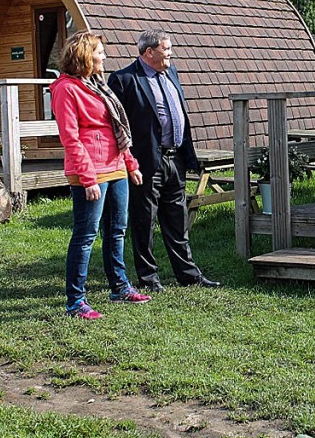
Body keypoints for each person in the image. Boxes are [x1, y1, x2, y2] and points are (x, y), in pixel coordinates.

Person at [107, 28, 220, 290]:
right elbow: (117, 127)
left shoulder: (171, 72)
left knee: (177, 219)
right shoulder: (124, 80)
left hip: (174, 158)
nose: (170, 54)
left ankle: (188, 275)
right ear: (149, 52)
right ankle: (148, 279)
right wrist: (129, 162)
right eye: (166, 49)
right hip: (146, 163)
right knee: (144, 221)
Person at [50, 32, 151, 319]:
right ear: (85, 55)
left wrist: (130, 163)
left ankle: (120, 287)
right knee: (85, 235)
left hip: (115, 166)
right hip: (90, 171)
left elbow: (115, 128)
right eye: (100, 52)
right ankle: (76, 301)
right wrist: (87, 177)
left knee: (117, 230)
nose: (104, 57)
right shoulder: (66, 89)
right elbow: (71, 137)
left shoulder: (96, 85)